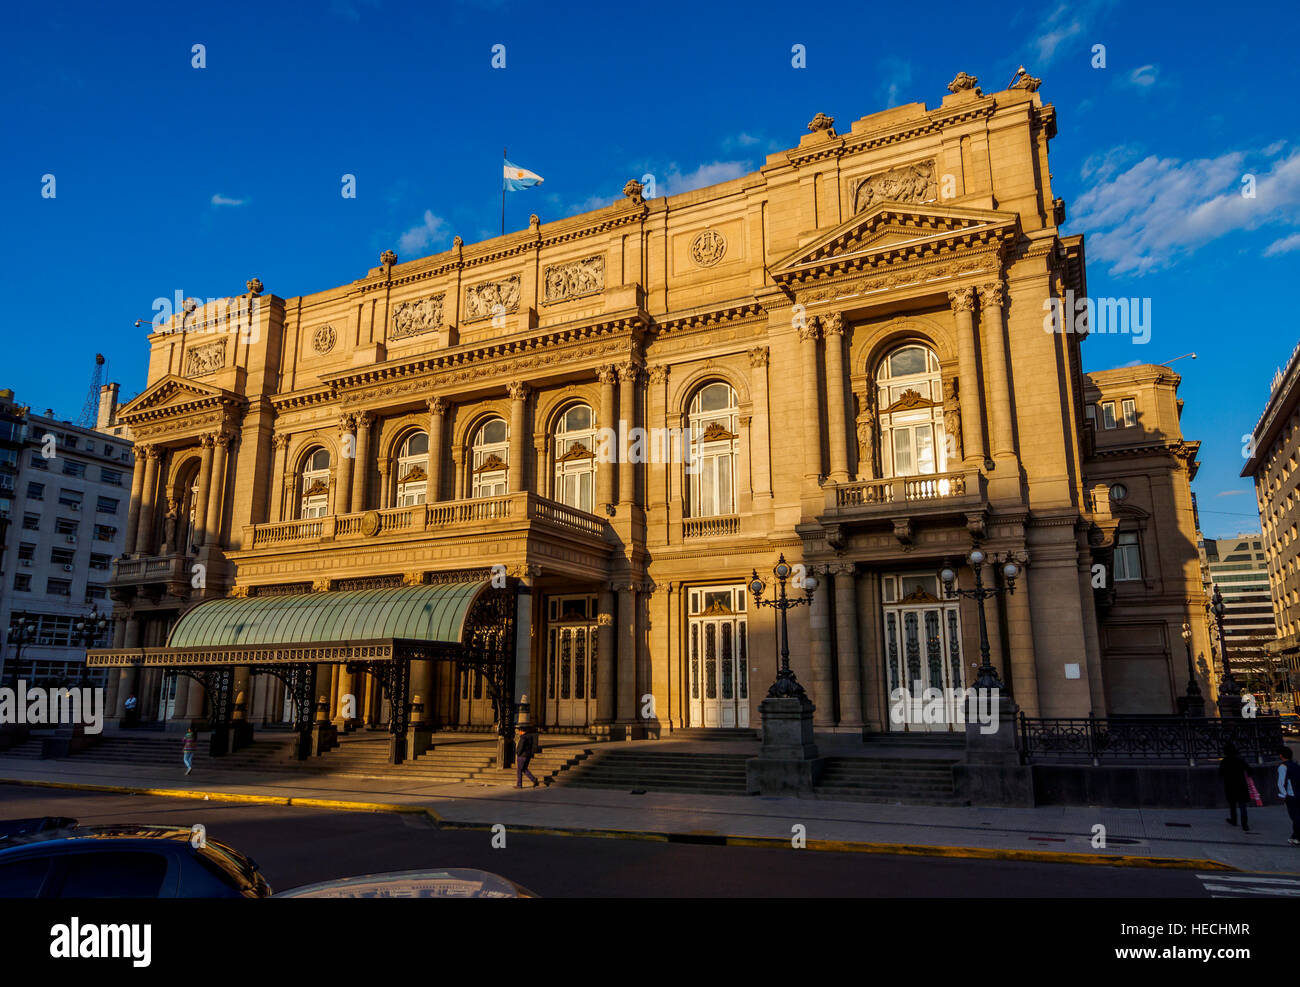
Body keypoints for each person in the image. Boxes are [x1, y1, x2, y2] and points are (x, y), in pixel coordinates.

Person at [1218, 741, 1252, 832]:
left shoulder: (1225, 761)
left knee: (1232, 804)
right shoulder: (1240, 760)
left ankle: (1234, 820)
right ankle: (1245, 824)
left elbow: (1220, 773)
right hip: (1241, 784)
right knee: (1242, 805)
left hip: (1230, 785)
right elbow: (1249, 769)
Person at [1279, 746, 1300, 846]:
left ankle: (1297, 837)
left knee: (1295, 816)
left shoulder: (1283, 767)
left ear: (1281, 756)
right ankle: (1295, 836)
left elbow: (1281, 782)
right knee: (1297, 816)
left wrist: (1283, 795)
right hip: (1298, 793)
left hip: (1291, 795)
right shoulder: (1296, 765)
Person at [514, 724, 539, 789]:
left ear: (522, 731)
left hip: (522, 756)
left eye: (519, 731)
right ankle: (534, 780)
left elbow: (520, 747)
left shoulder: (523, 737)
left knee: (519, 770)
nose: (519, 732)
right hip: (528, 755)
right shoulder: (530, 737)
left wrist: (518, 753)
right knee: (524, 769)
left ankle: (519, 785)